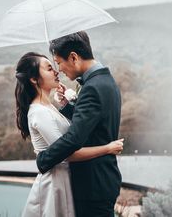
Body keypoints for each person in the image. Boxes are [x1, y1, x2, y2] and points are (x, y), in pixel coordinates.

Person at [15, 52, 123, 217]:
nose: (56, 71)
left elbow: (73, 132)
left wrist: (66, 104)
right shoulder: (39, 112)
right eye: (50, 68)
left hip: (65, 180)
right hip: (54, 185)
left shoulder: (48, 107)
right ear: (34, 79)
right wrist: (107, 148)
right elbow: (68, 153)